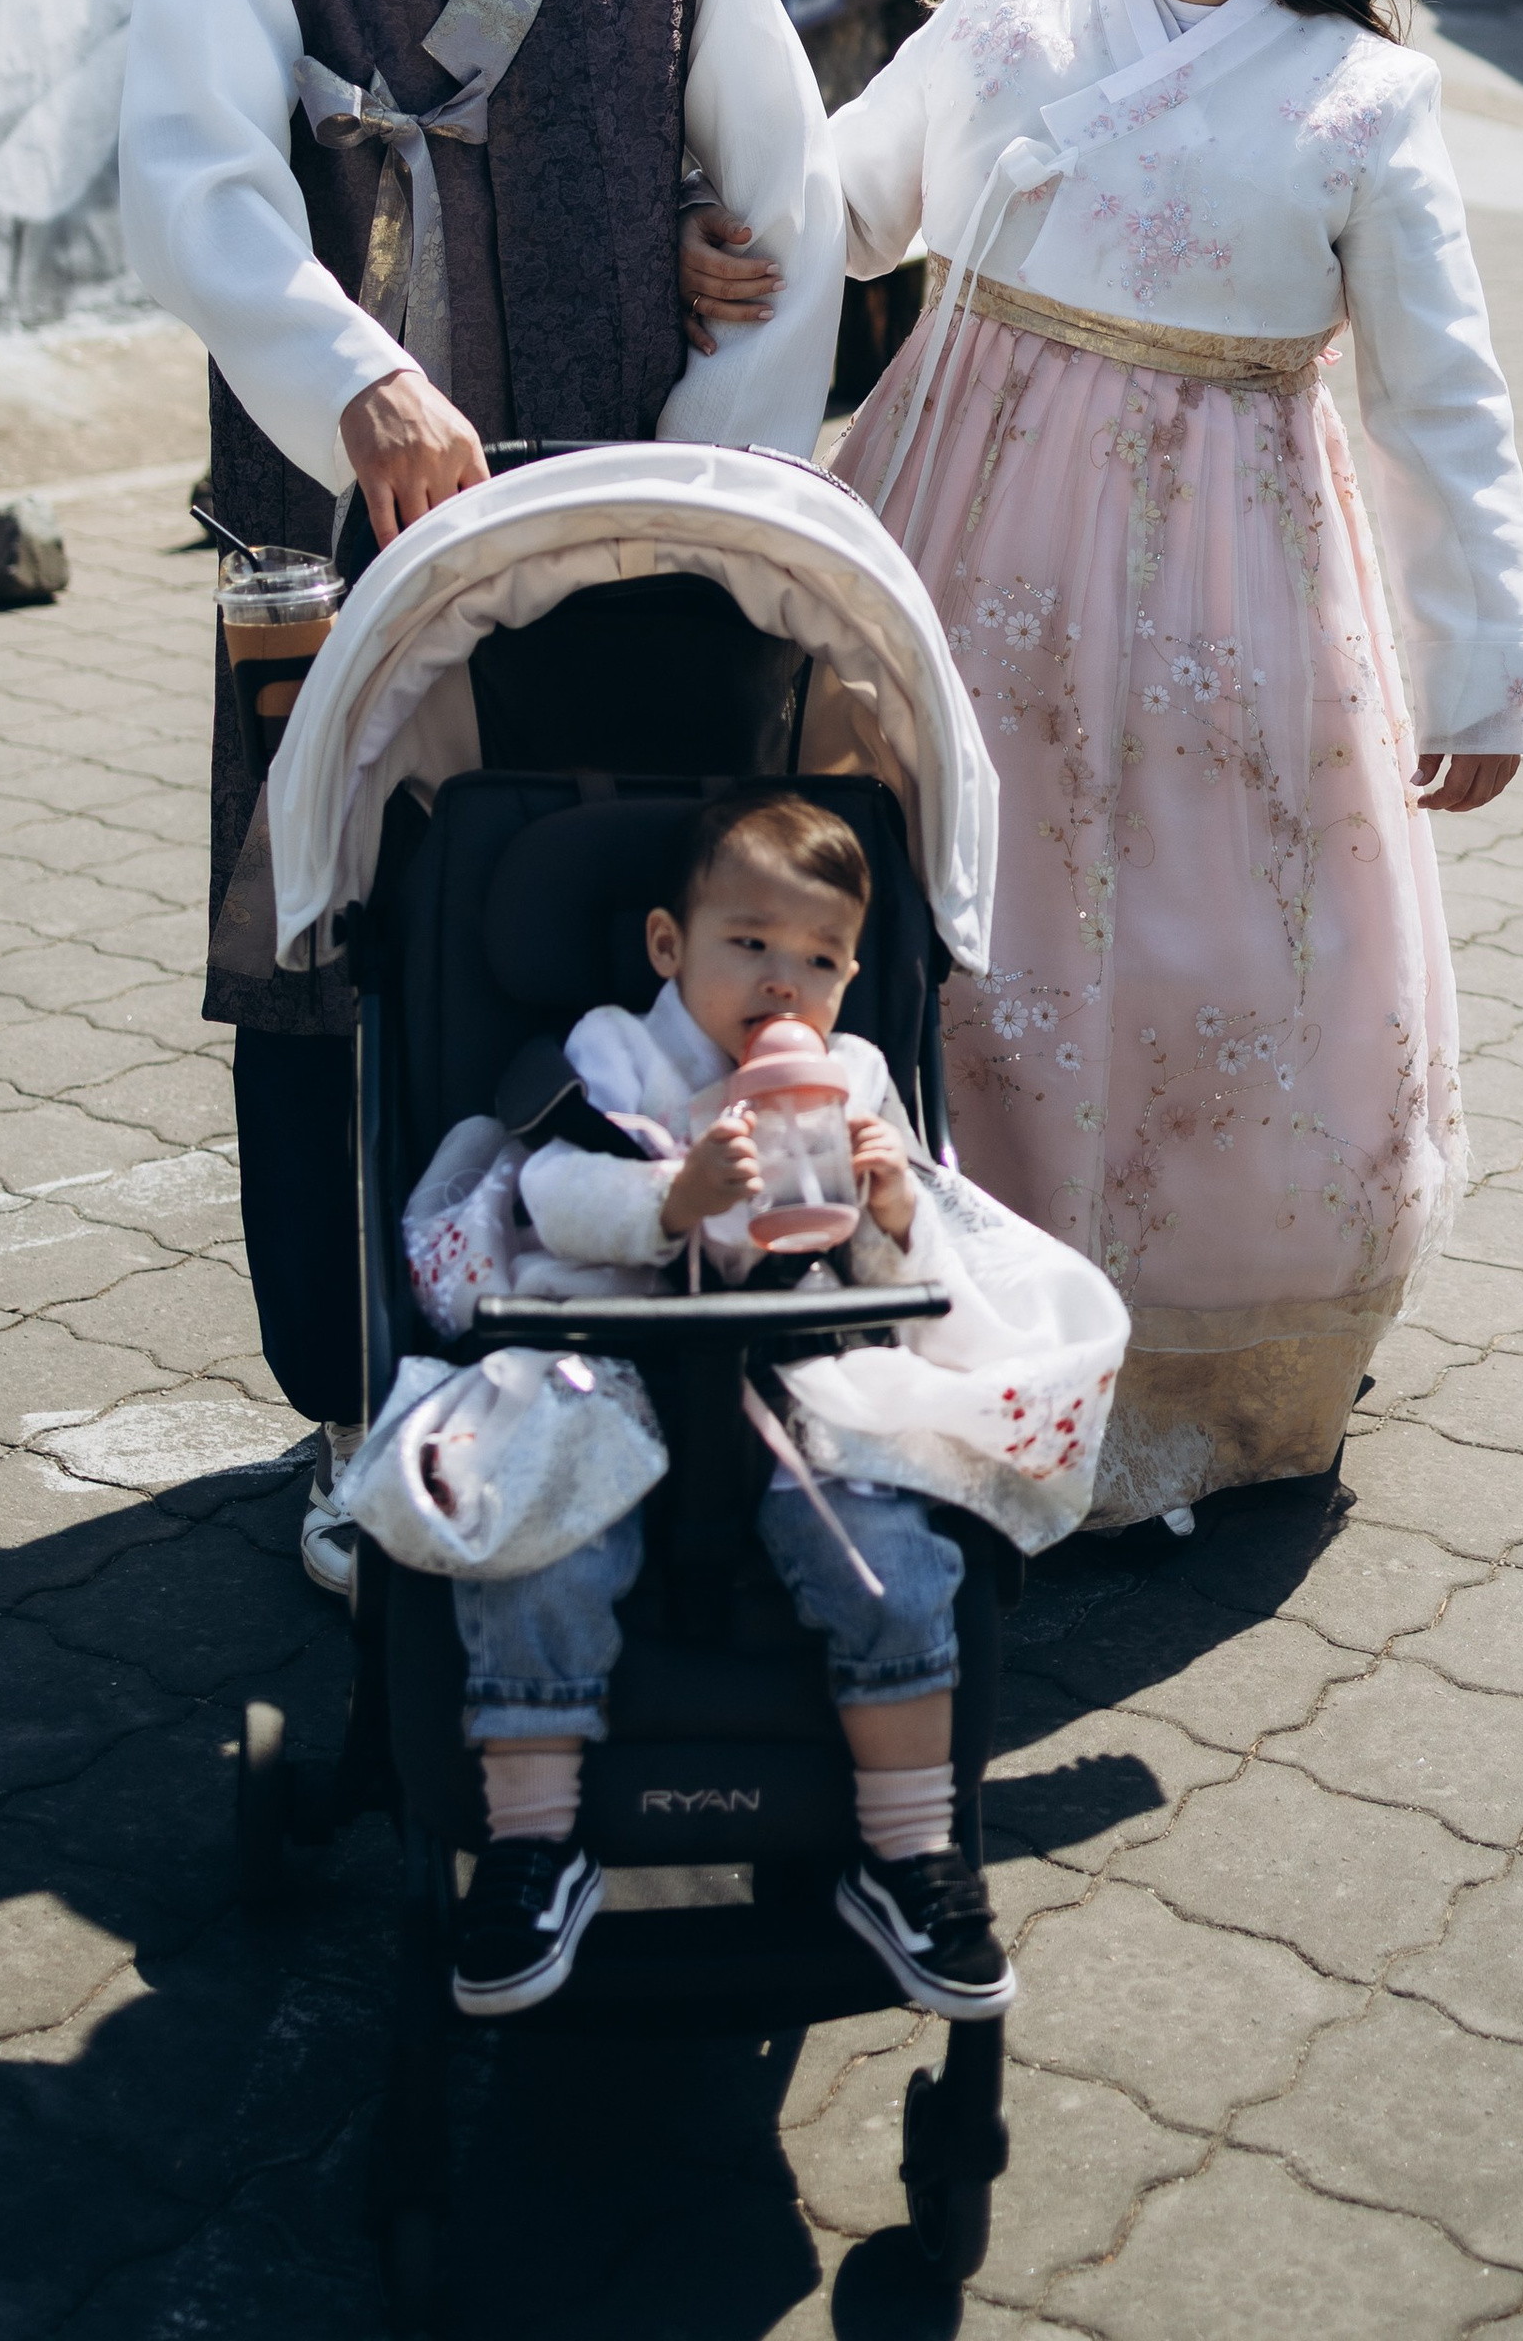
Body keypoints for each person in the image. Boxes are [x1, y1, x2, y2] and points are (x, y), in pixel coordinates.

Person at [683, 0, 1523, 1530]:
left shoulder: (1364, 95)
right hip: (961, 500)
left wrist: (1480, 670)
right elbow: (851, 198)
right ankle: (880, 1297)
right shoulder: (1012, 5)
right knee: (945, 896)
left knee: (1204, 933)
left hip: (1229, 556)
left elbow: (1438, 396)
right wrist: (734, 233)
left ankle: (1180, 1361)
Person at [119, 0, 843, 1594]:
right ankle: (370, 1411)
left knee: (628, 950)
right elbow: (195, 196)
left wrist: (708, 466)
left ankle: (654, 1402)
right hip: (347, 554)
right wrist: (362, 383)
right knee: (354, 959)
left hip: (639, 553)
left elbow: (782, 197)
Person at [432, 788, 1120, 2022]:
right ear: (668, 945)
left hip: (801, 1370)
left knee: (892, 1567)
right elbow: (550, 1191)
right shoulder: (615, 1052)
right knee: (535, 1544)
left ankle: (908, 1853)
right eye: (748, 943)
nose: (780, 983)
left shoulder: (853, 1074)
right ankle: (534, 1848)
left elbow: (897, 1273)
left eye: (817, 960)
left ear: (851, 977)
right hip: (615, 1357)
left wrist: (892, 1210)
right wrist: (670, 1197)